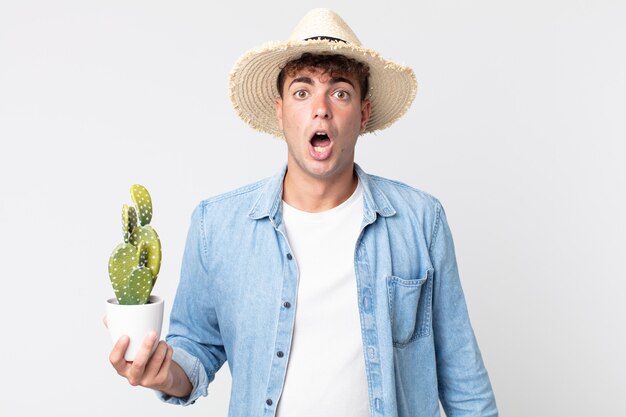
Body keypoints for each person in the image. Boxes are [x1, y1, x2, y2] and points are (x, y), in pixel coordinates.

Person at [108, 8, 498, 417]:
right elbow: (196, 350)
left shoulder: (420, 221)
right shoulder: (217, 225)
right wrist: (160, 372)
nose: (321, 108)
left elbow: (463, 379)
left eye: (341, 92)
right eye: (302, 91)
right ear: (280, 112)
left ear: (362, 115)